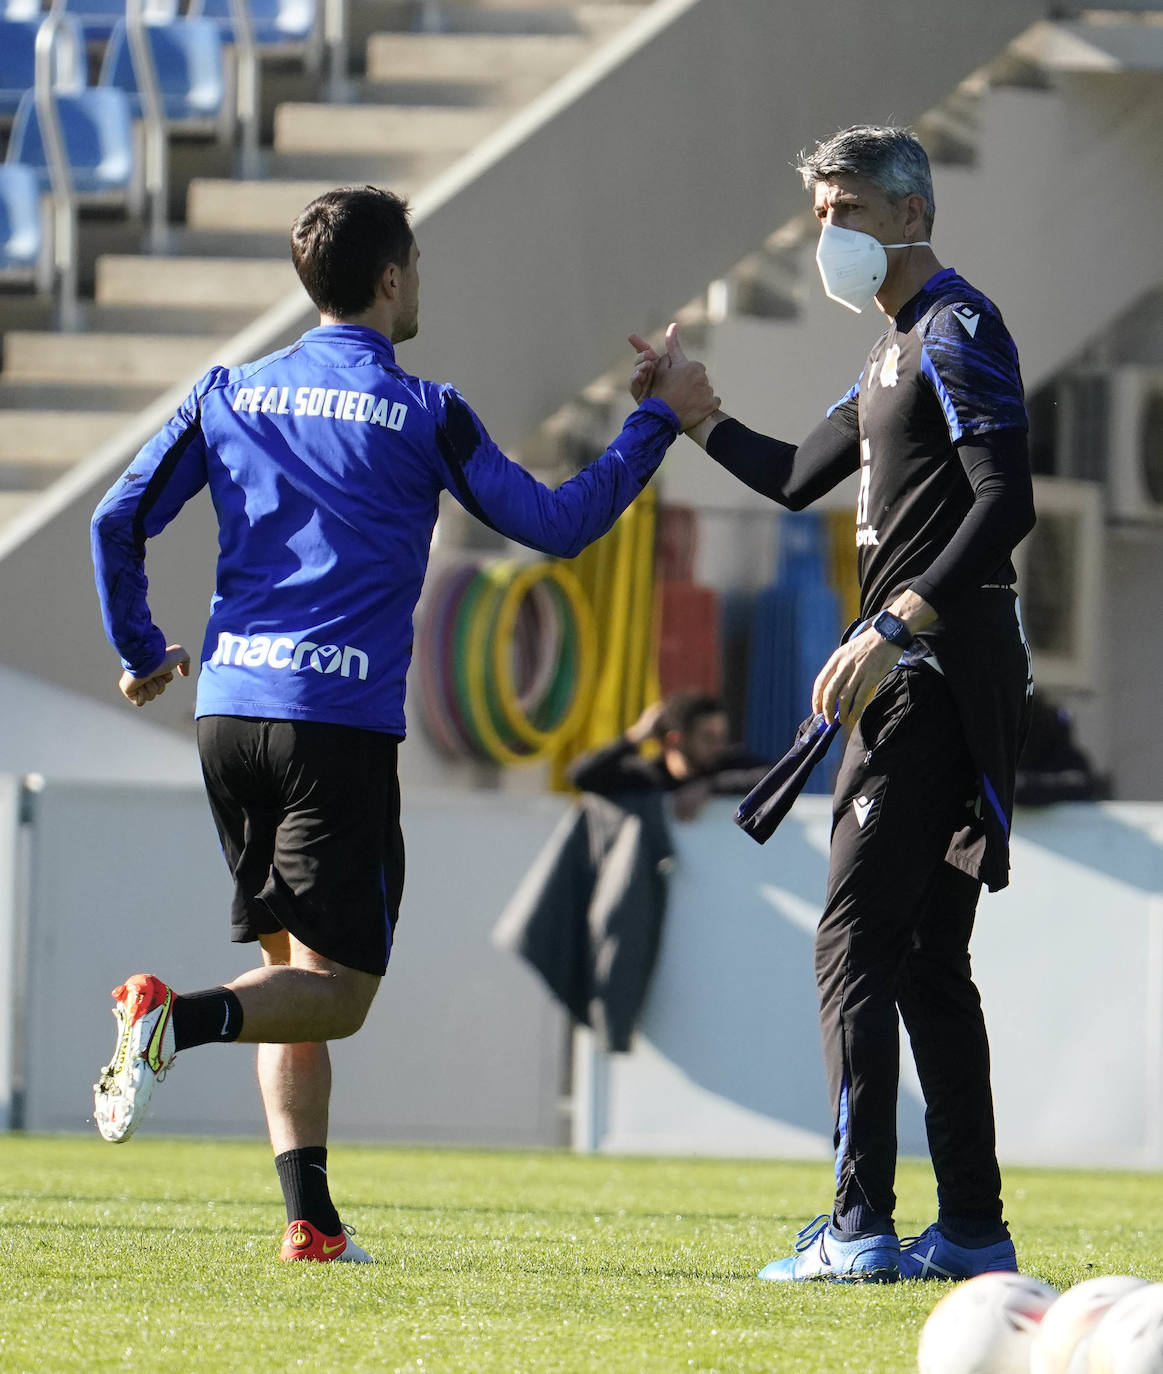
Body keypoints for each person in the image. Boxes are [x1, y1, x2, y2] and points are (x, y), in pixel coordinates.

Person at [89, 184, 718, 1263]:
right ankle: (168, 1021)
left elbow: (116, 519)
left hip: (230, 709)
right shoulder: (424, 411)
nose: (419, 279)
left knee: (290, 973)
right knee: (337, 998)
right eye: (415, 263)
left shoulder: (230, 389)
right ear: (389, 279)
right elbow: (557, 526)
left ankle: (312, 1222)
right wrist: (654, 421)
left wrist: (145, 653)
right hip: (330, 722)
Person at [632, 125, 1035, 1282]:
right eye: (817, 214)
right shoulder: (887, 351)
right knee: (922, 962)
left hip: (931, 677)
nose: (828, 234)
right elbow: (796, 473)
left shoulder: (957, 328)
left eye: (847, 209)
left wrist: (896, 623)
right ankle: (970, 1229)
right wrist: (692, 411)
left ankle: (856, 1227)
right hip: (924, 671)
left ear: (909, 216)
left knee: (852, 937)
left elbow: (1004, 500)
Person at [568, 690, 770, 820]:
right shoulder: (646, 776)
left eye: (721, 737)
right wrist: (635, 736)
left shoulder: (729, 764)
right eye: (708, 738)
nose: (718, 746)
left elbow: (777, 777)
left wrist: (711, 787)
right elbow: (581, 776)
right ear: (675, 740)